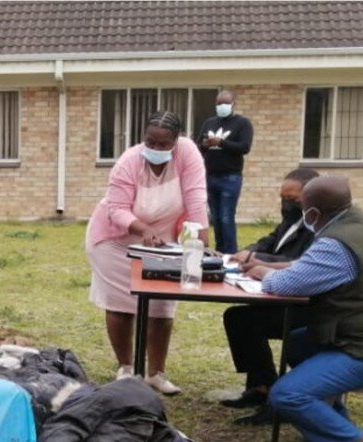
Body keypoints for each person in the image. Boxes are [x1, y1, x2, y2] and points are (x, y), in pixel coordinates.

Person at [246, 176, 363, 442]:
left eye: (303, 207)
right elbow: (309, 267)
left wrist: (263, 273)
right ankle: (329, 417)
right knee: (296, 344)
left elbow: (287, 284)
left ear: (313, 213)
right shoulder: (356, 221)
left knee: (285, 395)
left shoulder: (337, 243)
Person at [85, 111, 208, 395]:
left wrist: (201, 237)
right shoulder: (129, 161)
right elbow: (116, 210)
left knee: (162, 306)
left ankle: (156, 373)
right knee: (120, 305)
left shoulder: (188, 154)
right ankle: (126, 368)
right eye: (149, 142)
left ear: (176, 142)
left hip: (161, 241)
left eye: (162, 144)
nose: (154, 148)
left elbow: (196, 196)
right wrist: (142, 230)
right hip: (115, 240)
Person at [220, 167, 320, 423]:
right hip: (284, 296)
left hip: (309, 309)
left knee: (248, 321)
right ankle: (260, 386)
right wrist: (248, 251)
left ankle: (272, 394)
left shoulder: (316, 228)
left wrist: (257, 259)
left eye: (293, 201)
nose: (286, 205)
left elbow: (297, 262)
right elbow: (269, 241)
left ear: (310, 199)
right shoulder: (290, 221)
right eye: (283, 199)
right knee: (238, 316)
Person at [197, 89, 253, 254]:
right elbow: (198, 146)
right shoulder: (209, 123)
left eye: (226, 103)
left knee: (227, 217)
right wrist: (206, 145)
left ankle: (230, 252)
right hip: (210, 175)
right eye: (219, 103)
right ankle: (219, 250)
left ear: (233, 104)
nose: (222, 106)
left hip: (230, 176)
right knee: (215, 218)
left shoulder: (242, 123)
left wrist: (221, 142)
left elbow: (244, 147)